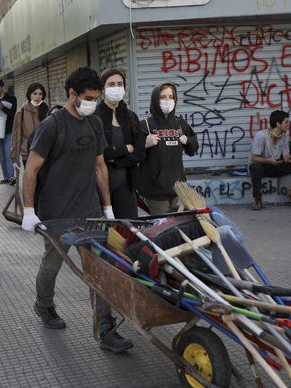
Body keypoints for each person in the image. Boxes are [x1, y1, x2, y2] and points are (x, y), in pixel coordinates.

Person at [21, 66, 133, 354]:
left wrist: (107, 207)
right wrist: (29, 210)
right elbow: (31, 169)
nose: (92, 102)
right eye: (87, 97)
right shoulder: (52, 126)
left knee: (100, 270)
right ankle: (44, 305)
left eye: (96, 97)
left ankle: (106, 331)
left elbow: (99, 166)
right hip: (56, 213)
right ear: (72, 94)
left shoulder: (94, 124)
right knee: (52, 265)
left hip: (90, 211)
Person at [138, 83, 198, 215]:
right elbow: (134, 154)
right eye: (163, 97)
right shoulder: (146, 125)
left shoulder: (180, 123)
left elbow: (193, 148)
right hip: (155, 190)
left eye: (171, 97)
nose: (167, 100)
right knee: (164, 225)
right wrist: (144, 144)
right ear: (155, 100)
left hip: (177, 187)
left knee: (173, 224)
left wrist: (188, 141)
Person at [98, 68, 145, 219]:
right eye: (111, 84)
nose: (116, 88)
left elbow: (139, 153)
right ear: (103, 89)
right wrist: (126, 148)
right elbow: (101, 153)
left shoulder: (130, 116)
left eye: (120, 84)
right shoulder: (95, 116)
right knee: (103, 233)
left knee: (129, 231)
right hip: (99, 185)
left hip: (126, 184)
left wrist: (116, 160)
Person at [247, 110, 291, 211]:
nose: (288, 125)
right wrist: (268, 161)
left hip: (276, 164)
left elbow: (285, 156)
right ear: (278, 124)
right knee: (255, 167)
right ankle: (257, 200)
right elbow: (253, 158)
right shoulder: (261, 136)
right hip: (263, 165)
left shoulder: (284, 135)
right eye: (286, 122)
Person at [10, 82, 50, 168]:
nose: (37, 96)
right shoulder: (21, 112)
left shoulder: (47, 110)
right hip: (27, 154)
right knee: (31, 180)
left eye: (40, 94)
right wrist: (14, 158)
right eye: (35, 93)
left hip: (44, 154)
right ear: (29, 95)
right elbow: (16, 136)